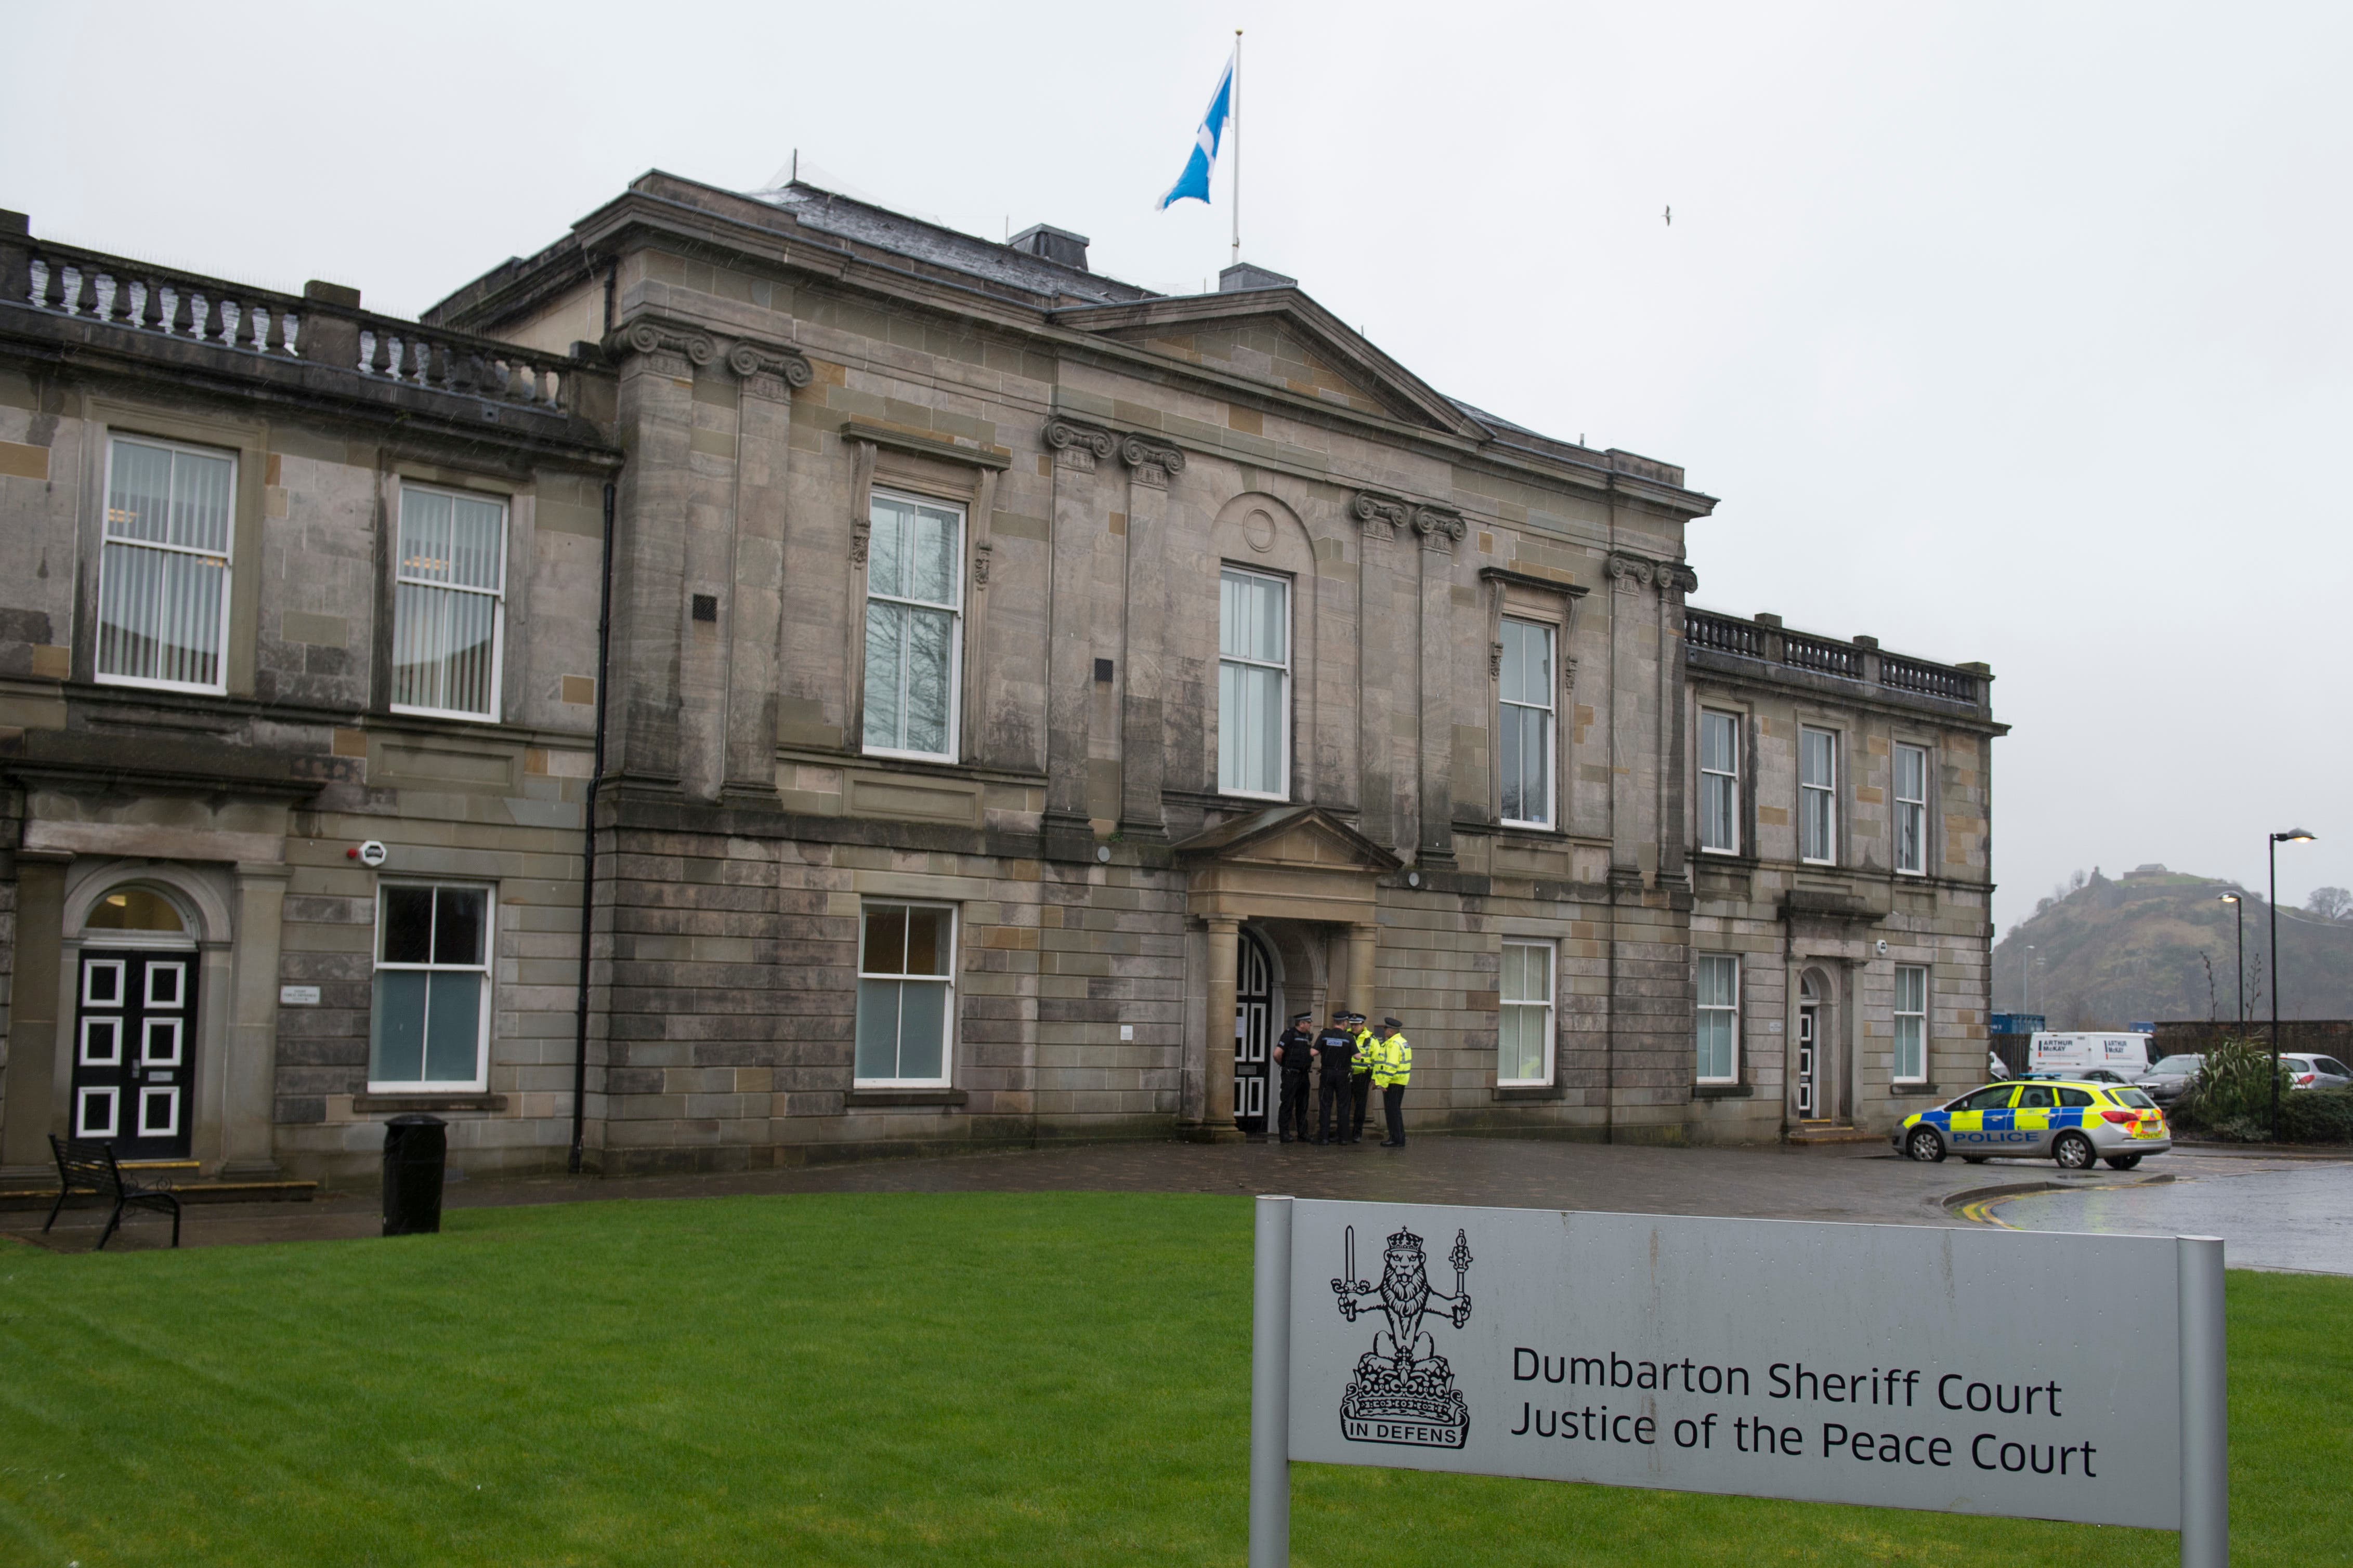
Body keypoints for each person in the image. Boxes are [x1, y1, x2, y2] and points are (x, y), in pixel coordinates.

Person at [1313, 1008, 1356, 1145]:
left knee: (1325, 1105)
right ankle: (1343, 1138)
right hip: (1343, 1074)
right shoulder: (1349, 1038)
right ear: (1345, 1023)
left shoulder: (1325, 1035)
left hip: (1327, 1073)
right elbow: (1357, 1056)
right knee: (1343, 1106)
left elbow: (1313, 1052)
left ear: (1334, 1022)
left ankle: (1324, 1137)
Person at [1273, 1011, 1315, 1142]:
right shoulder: (1289, 1034)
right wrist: (1285, 1066)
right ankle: (1284, 1133)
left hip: (1303, 1074)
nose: (1310, 1025)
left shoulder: (1308, 1036)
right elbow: (1277, 1054)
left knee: (1303, 1105)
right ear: (1301, 1024)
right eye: (1308, 1023)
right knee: (1288, 1104)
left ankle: (1303, 1133)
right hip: (1291, 1074)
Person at [1374, 1016, 1413, 1147]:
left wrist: (1384, 1083)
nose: (1385, 1031)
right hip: (1399, 1081)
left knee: (1392, 1111)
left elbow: (1390, 1066)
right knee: (1395, 1111)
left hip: (1393, 1082)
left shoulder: (1394, 1045)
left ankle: (1395, 1139)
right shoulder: (1402, 1042)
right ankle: (1399, 1138)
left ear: (1391, 1031)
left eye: (1386, 1029)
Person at [1348, 1012, 1377, 1143]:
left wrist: (1375, 1078)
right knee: (1344, 1105)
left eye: (1357, 1025)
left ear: (1363, 1025)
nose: (1354, 1027)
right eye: (1352, 1024)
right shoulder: (1346, 1035)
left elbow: (1377, 1060)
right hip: (1346, 1075)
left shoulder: (1371, 1039)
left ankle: (1357, 1133)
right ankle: (1343, 1132)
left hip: (1362, 1076)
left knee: (1360, 1106)